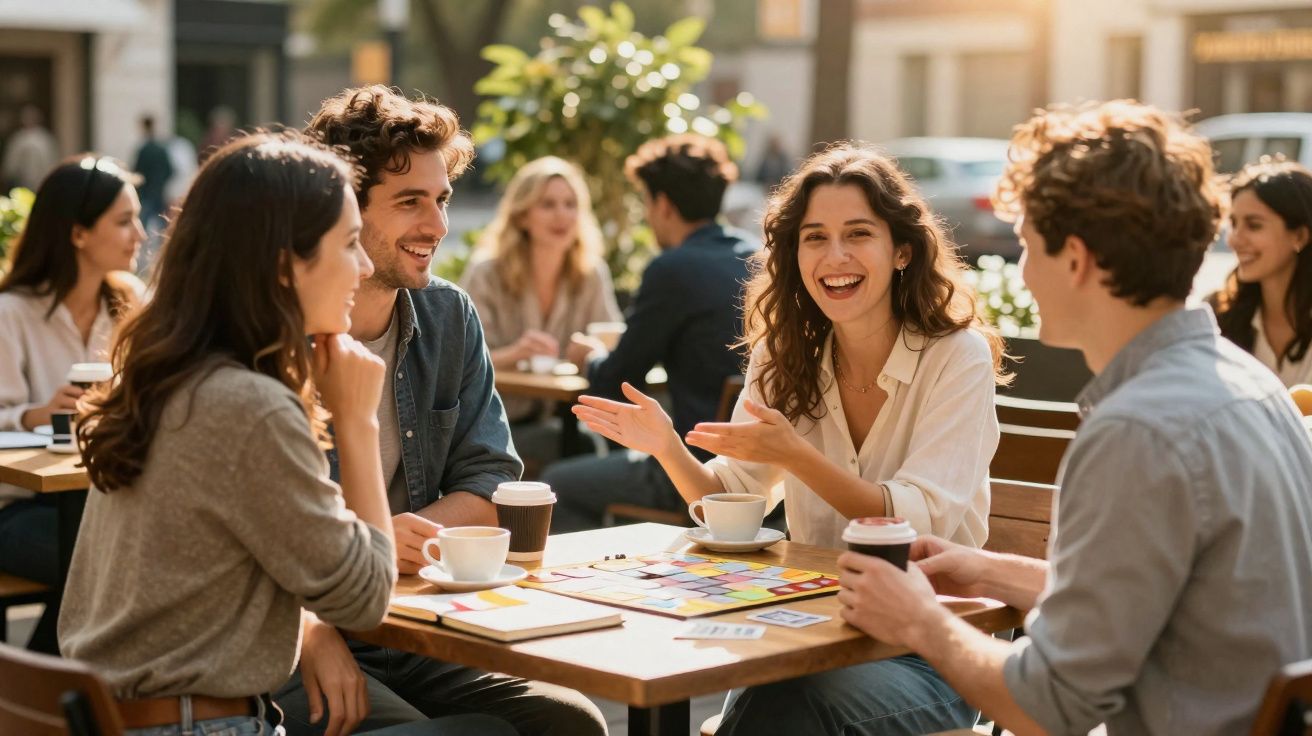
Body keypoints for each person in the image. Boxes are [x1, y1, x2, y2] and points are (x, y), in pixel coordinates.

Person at [837, 100, 1312, 735]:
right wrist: (985, 569)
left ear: (1078, 259)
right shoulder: (1251, 387)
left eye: (1028, 247)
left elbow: (1048, 707)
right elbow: (1164, 602)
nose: (1023, 272)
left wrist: (920, 620)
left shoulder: (1138, 430)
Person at [59, 132, 511, 736]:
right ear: (282, 265)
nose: (363, 266)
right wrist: (354, 420)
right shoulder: (250, 404)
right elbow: (364, 599)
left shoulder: (177, 375)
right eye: (348, 244)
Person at [571, 142, 1004, 733]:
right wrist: (668, 446)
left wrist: (795, 456)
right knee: (759, 688)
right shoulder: (785, 352)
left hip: (932, 655)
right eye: (815, 237)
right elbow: (730, 503)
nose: (835, 256)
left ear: (902, 249)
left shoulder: (957, 358)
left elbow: (916, 525)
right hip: (812, 638)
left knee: (783, 703)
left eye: (858, 234)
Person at [271, 85, 607, 736]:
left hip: (412, 618)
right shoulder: (271, 332)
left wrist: (391, 540)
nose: (438, 225)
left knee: (571, 724)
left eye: (441, 199)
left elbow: (491, 483)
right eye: (409, 202)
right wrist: (318, 616)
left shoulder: (446, 314)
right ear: (339, 208)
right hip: (294, 628)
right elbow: (238, 537)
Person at [544, 134, 759, 531]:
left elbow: (615, 381)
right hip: (763, 474)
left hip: (693, 472)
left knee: (557, 484)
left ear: (662, 204)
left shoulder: (672, 269)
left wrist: (588, 356)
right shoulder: (757, 258)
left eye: (646, 202)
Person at [0, 154, 145, 653]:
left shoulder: (130, 305)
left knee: (118, 561)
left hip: (98, 499)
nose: (140, 236)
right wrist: (38, 415)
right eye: (124, 222)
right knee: (116, 570)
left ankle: (33, 696)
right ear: (78, 234)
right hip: (13, 510)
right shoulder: (11, 314)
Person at [460, 156, 621, 463]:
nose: (561, 215)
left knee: (590, 446)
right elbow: (458, 364)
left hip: (562, 418)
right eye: (547, 204)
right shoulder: (487, 273)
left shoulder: (591, 274)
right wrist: (514, 353)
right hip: (492, 423)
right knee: (582, 450)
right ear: (521, 216)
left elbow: (611, 342)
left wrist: (593, 350)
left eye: (570, 204)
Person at [1209, 159, 1312, 386]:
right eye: (1233, 224)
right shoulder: (1218, 317)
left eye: (1254, 225)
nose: (1234, 239)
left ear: (1300, 236)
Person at [132, 115, 175, 270]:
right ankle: (166, 257)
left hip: (147, 194)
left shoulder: (145, 149)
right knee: (163, 227)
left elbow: (136, 172)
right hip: (158, 193)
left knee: (141, 226)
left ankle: (140, 260)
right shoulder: (161, 148)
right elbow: (170, 170)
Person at [2, 105, 59, 191]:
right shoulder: (18, 138)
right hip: (23, 181)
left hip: (42, 180)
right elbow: (11, 162)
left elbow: (51, 159)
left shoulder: (45, 138)